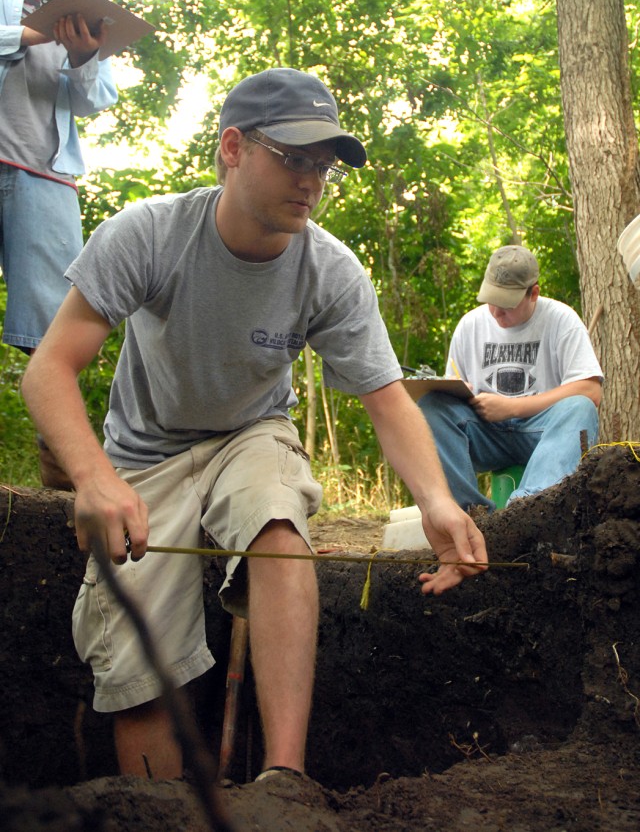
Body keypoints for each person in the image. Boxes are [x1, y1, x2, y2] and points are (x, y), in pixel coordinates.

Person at [22, 67, 488, 784]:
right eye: (292, 158)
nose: (311, 181)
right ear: (233, 147)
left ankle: (284, 782)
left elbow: (387, 398)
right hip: (147, 453)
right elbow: (49, 368)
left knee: (275, 521)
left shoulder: (329, 270)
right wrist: (93, 477)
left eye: (323, 167)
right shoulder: (148, 234)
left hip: (252, 434)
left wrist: (437, 501)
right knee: (143, 665)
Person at [1, 0, 118, 482]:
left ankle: (63, 465)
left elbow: (95, 100)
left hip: (46, 171)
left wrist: (84, 55)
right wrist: (32, 34)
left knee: (53, 321)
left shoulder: (87, 9)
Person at [418, 244, 603, 511]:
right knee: (430, 408)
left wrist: (513, 407)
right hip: (486, 433)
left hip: (544, 434)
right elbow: (452, 398)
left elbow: (590, 390)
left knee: (580, 407)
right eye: (491, 300)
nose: (496, 312)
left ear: (534, 293)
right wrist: (458, 391)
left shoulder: (561, 320)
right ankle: (470, 514)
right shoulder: (470, 326)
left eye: (506, 304)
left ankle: (527, 511)